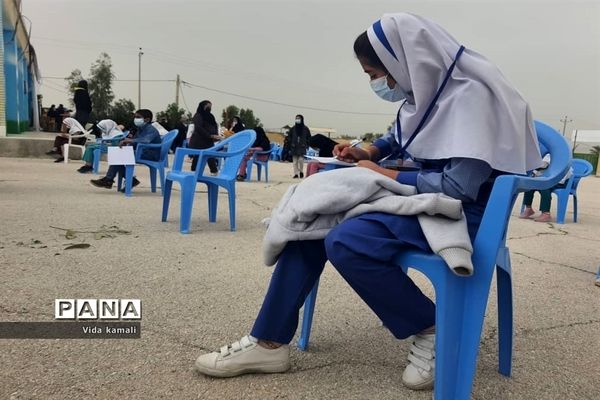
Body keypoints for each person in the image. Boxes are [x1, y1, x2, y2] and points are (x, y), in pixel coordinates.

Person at [193, 13, 542, 392]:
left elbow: (459, 186)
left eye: (377, 72)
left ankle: (432, 328)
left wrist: (384, 174)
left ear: (405, 61)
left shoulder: (474, 98)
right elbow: (405, 134)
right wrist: (370, 151)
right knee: (312, 217)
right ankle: (268, 342)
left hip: (464, 212)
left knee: (347, 240)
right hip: (422, 200)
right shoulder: (429, 96)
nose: (381, 83)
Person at [90, 109, 160, 190]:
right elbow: (135, 140)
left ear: (147, 119)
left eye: (138, 117)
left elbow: (146, 140)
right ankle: (117, 180)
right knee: (118, 154)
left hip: (151, 155)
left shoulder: (151, 129)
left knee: (119, 155)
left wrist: (129, 141)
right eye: (135, 117)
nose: (135, 119)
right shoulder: (139, 129)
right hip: (142, 152)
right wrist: (126, 142)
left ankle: (109, 179)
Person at [520, 153, 573, 222]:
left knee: (545, 187)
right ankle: (528, 208)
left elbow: (543, 165)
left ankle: (546, 214)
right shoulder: (545, 154)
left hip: (561, 180)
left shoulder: (556, 155)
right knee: (530, 184)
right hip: (549, 178)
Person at [189, 100, 221, 174]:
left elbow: (215, 126)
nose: (209, 108)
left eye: (210, 106)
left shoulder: (211, 116)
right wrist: (209, 135)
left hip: (209, 141)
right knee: (197, 156)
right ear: (203, 106)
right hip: (199, 140)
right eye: (208, 106)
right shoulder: (198, 115)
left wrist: (215, 135)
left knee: (210, 156)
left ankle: (214, 171)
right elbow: (198, 127)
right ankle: (194, 172)